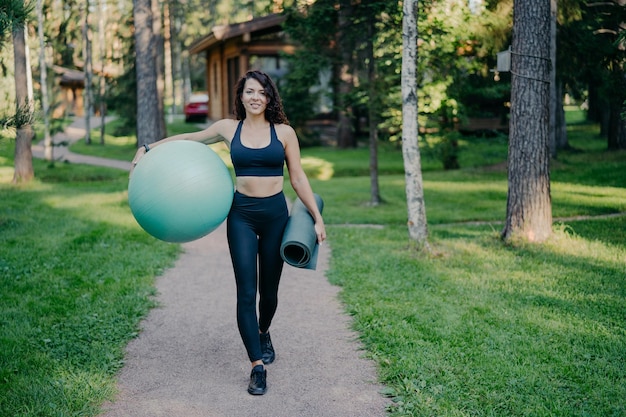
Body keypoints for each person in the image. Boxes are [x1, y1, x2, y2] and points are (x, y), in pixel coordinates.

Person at [130, 70, 326, 396]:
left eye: (261, 92)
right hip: (242, 218)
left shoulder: (285, 133)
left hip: (276, 216)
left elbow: (298, 178)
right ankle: (256, 366)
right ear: (241, 95)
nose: (255, 97)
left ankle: (264, 332)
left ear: (269, 97)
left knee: (270, 291)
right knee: (246, 292)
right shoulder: (227, 129)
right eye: (249, 91)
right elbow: (189, 139)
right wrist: (148, 147)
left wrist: (317, 218)